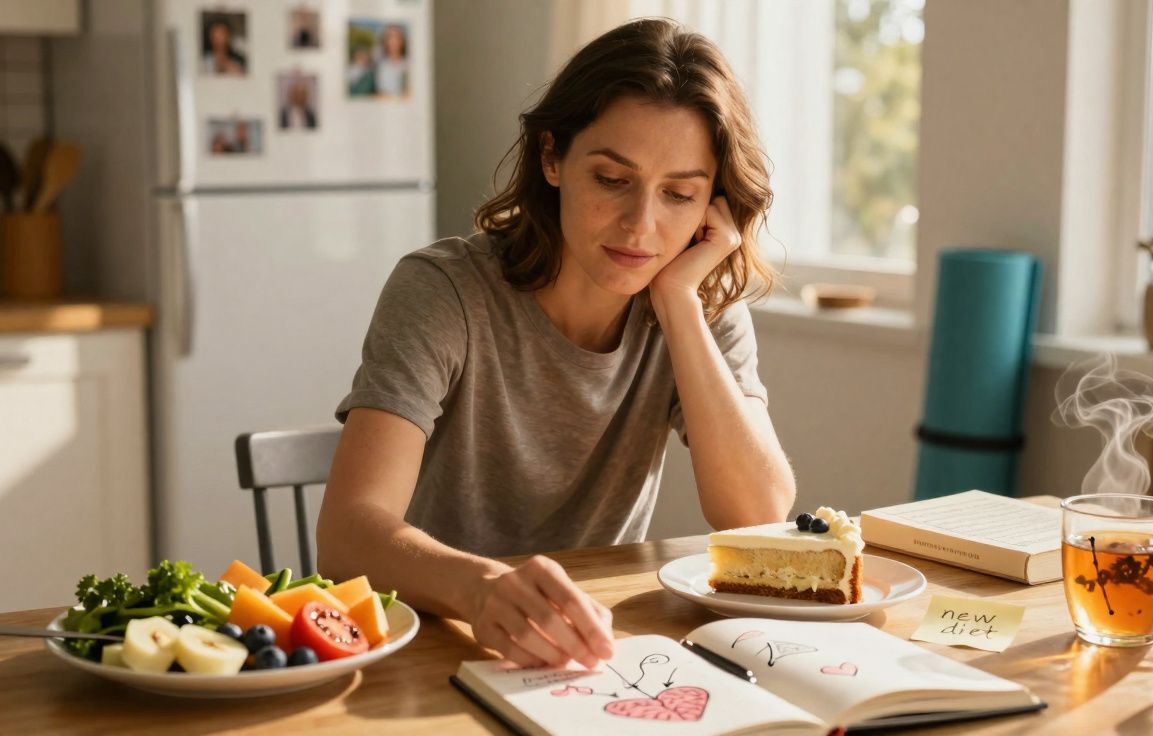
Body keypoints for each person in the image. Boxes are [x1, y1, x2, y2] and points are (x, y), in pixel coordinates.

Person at [318, 18, 796, 671]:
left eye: (679, 194)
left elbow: (757, 514)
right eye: (611, 179)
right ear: (551, 158)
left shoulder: (698, 300)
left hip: (589, 648)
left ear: (713, 205)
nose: (641, 225)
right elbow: (346, 536)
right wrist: (484, 590)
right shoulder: (444, 292)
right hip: (433, 640)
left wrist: (680, 306)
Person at [374, 24, 408, 96]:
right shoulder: (380, 65)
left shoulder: (409, 63)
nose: (393, 41)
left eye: (397, 37)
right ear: (385, 41)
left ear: (402, 40)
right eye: (390, 37)